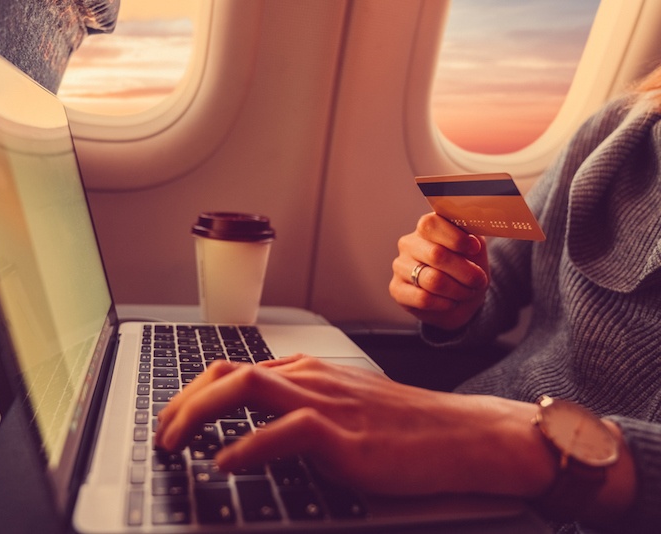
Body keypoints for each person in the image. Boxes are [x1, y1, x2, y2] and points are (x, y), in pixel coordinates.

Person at [156, 67, 661, 532]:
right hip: (457, 437)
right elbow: (507, 272)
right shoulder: (621, 131)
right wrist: (453, 294)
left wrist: (519, 445)